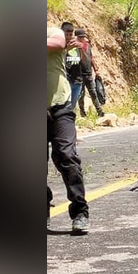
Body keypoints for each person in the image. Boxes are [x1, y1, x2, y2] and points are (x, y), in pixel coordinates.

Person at [48, 24, 89, 233]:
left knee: (66, 154)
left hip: (59, 107)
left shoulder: (51, 32)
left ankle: (80, 211)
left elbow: (58, 42)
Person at [71, 28, 105, 117]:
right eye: (80, 37)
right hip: (79, 74)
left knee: (93, 92)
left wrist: (96, 69)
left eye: (83, 37)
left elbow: (91, 57)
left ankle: (99, 111)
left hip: (88, 73)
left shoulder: (87, 46)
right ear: (76, 37)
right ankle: (83, 113)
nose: (82, 39)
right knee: (81, 95)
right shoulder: (74, 47)